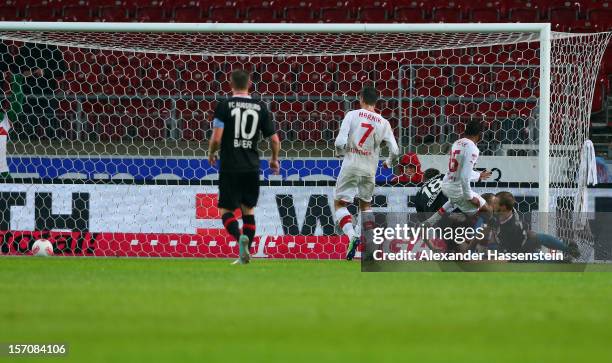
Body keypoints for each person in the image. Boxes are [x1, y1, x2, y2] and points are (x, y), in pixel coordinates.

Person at [207, 69, 281, 265]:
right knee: (248, 210)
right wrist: (274, 159)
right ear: (249, 84)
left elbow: (216, 138)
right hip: (251, 166)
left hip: (230, 165)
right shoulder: (260, 107)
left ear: (230, 84)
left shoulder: (224, 105)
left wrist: (212, 152)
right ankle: (244, 253)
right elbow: (275, 140)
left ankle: (239, 238)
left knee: (225, 210)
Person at [334, 85, 399, 260]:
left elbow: (340, 141)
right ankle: (370, 249)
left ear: (361, 99)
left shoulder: (352, 115)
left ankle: (352, 236)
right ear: (376, 102)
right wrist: (388, 162)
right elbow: (396, 149)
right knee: (366, 206)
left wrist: (341, 153)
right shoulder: (384, 122)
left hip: (350, 165)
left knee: (340, 204)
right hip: (370, 169)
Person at [423, 120, 490, 227]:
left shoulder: (457, 143)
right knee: (486, 211)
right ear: (479, 135)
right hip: (457, 190)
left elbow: (460, 171)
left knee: (454, 200)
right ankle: (460, 229)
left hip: (447, 184)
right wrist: (469, 197)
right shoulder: (473, 148)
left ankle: (430, 222)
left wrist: (478, 176)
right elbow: (464, 176)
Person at [493, 191, 579, 257]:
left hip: (517, 252)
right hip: (519, 247)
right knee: (533, 237)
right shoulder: (511, 214)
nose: (493, 204)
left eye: (495, 203)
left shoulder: (508, 224)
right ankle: (567, 251)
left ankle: (562, 258)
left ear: (503, 206)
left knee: (532, 243)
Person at [12, 42, 67, 140]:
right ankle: (26, 139)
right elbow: (14, 69)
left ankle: (53, 139)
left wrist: (45, 72)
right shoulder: (26, 49)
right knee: (28, 118)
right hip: (28, 91)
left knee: (49, 117)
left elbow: (62, 69)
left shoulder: (52, 49)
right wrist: (24, 73)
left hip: (47, 91)